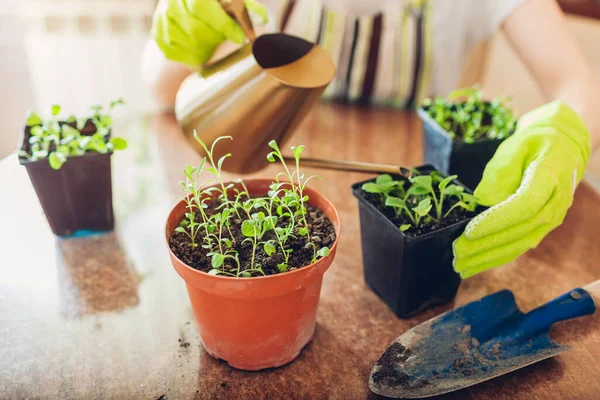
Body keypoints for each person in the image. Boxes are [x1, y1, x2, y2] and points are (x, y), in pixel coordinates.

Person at [143, 0, 600, 278]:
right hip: (285, 179)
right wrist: (179, 37)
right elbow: (161, 91)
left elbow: (580, 83)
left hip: (399, 200)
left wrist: (567, 134)